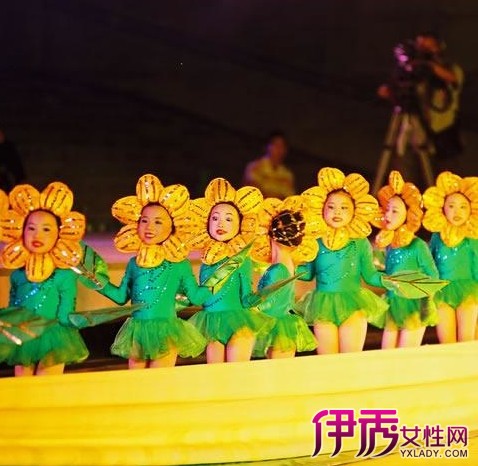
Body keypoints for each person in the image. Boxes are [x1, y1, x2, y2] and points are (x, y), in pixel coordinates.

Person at [98, 174, 212, 369]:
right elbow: (120, 297)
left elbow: (195, 296)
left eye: (158, 222)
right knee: (137, 383)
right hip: (137, 331)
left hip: (166, 331)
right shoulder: (135, 263)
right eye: (144, 221)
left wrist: (215, 283)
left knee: (160, 381)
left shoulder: (179, 264)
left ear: (173, 227)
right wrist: (97, 280)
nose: (149, 227)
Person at [0, 182, 89, 376]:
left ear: (60, 234)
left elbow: (67, 307)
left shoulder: (64, 275)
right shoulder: (18, 274)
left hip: (53, 336)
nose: (37, 235)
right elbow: (14, 305)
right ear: (21, 232)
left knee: (48, 383)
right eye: (31, 228)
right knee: (22, 384)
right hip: (24, 334)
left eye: (46, 229)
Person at [295, 167, 387, 354]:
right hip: (323, 306)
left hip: (353, 305)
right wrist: (289, 267)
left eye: (344, 208)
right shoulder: (316, 241)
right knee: (328, 360)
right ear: (321, 209)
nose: (337, 212)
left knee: (350, 359)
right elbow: (308, 273)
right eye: (331, 207)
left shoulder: (360, 242)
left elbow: (370, 275)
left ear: (355, 212)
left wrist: (392, 279)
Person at [188, 177, 273, 363]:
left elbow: (246, 295)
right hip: (211, 321)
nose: (220, 224)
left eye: (228, 219)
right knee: (215, 373)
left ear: (240, 224)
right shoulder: (207, 258)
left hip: (238, 321)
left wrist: (263, 295)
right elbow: (201, 295)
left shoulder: (242, 259)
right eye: (215, 218)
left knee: (237, 371)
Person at [375, 32, 463, 192]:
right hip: (414, 134)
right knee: (407, 178)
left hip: (442, 135)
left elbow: (452, 78)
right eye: (420, 46)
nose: (423, 51)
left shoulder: (448, 68)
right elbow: (395, 89)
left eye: (429, 47)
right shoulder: (414, 72)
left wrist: (428, 65)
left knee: (446, 184)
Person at [373, 171, 439, 348]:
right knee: (387, 352)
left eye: (395, 211)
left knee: (407, 353)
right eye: (387, 210)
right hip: (393, 304)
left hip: (414, 306)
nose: (388, 215)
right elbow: (385, 273)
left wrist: (425, 303)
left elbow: (432, 276)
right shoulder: (388, 244)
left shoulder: (417, 245)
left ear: (409, 214)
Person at [251, 194, 322, 358]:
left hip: (275, 324)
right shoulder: (288, 263)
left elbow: (269, 300)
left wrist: (251, 307)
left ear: (269, 234)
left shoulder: (278, 269)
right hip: (281, 322)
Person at [422, 171, 478, 343]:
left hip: (468, 291)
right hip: (442, 292)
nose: (457, 211)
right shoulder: (437, 236)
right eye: (451, 206)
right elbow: (429, 263)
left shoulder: (473, 238)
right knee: (446, 340)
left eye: (463, 206)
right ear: (442, 209)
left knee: (467, 338)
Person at [243, 131, 295, 199]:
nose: (279, 149)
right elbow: (253, 192)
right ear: (267, 146)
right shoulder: (254, 167)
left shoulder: (287, 175)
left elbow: (289, 198)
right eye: (276, 145)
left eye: (282, 146)